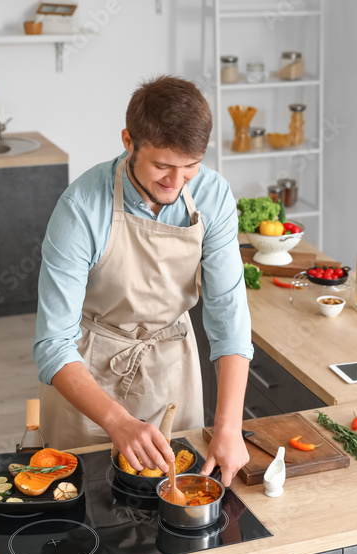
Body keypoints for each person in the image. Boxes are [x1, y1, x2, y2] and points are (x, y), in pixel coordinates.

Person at [33, 75, 252, 486]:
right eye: (162, 166)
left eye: (190, 168)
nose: (175, 181)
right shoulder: (81, 208)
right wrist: (117, 420)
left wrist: (229, 426)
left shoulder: (213, 196)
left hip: (172, 370)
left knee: (174, 504)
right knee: (84, 509)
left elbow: (229, 318)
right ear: (128, 141)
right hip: (90, 373)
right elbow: (52, 344)